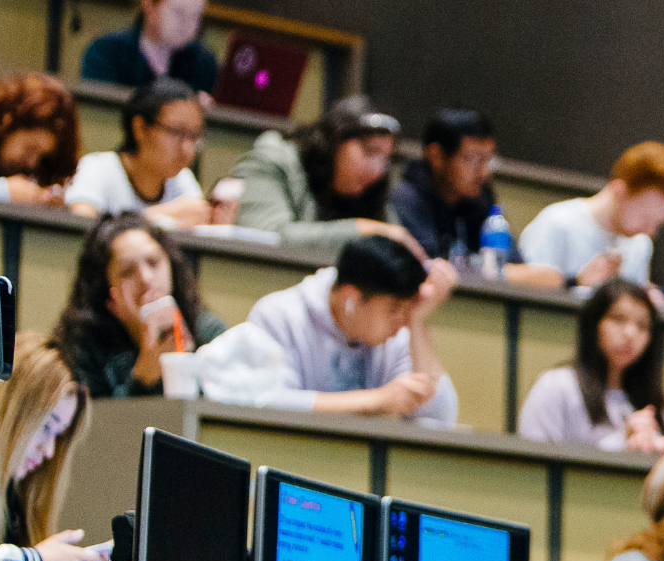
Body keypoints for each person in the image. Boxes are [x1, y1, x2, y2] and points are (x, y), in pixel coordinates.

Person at [245, 235, 459, 426]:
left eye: (407, 311)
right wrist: (376, 401)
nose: (402, 321)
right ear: (352, 298)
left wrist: (418, 322)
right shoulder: (278, 315)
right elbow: (265, 402)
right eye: (394, 309)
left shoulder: (397, 334)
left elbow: (439, 417)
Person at [0, 333, 110, 561]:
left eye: (57, 435)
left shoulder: (12, 499)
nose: (49, 451)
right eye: (46, 426)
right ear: (10, 408)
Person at [54, 213, 229, 398]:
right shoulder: (83, 345)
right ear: (107, 294)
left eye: (153, 262)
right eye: (127, 272)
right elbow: (86, 414)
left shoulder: (207, 332)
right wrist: (142, 378)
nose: (146, 278)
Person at [231, 96, 423, 255]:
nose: (377, 170)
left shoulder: (373, 190)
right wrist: (363, 231)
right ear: (333, 141)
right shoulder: (276, 159)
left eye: (385, 159)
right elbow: (266, 236)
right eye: (369, 152)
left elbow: (397, 250)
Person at [387, 108, 557, 287]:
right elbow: (427, 268)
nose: (484, 172)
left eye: (489, 160)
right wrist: (493, 271)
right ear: (436, 156)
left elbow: (517, 266)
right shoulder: (404, 202)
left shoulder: (480, 202)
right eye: (474, 159)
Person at [518, 278, 664, 452]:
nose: (630, 333)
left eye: (642, 326)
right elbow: (532, 460)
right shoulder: (557, 386)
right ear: (594, 323)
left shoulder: (653, 404)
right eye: (618, 319)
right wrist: (623, 441)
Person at [518, 141, 664, 299]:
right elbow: (524, 296)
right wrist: (576, 283)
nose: (650, 231)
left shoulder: (640, 244)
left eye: (658, 224)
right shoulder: (557, 223)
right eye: (645, 218)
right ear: (619, 191)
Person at [64, 77, 222, 227]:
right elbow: (81, 226)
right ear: (140, 128)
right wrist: (161, 214)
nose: (187, 148)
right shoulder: (98, 168)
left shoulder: (182, 179)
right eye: (175, 132)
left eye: (194, 136)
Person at [0, 73, 79, 206]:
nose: (32, 163)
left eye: (41, 157)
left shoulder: (1, 169)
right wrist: (3, 191)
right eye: (30, 149)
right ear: (6, 125)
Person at [79, 0, 218, 93]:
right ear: (148, 5)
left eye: (196, 15)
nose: (187, 24)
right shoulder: (105, 52)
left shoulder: (204, 64)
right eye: (179, 13)